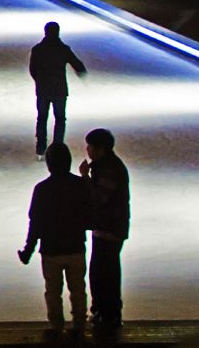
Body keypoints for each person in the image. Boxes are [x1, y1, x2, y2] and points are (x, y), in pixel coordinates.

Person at [21, 142, 90, 336]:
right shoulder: (79, 186)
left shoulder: (42, 189)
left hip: (51, 249)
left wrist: (28, 250)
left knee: (53, 290)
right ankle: (79, 324)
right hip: (76, 246)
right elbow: (90, 213)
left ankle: (56, 325)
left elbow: (35, 224)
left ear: (49, 164)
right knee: (78, 288)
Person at [83, 128, 130, 336]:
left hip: (109, 229)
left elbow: (98, 198)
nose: (87, 150)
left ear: (100, 149)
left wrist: (85, 178)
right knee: (103, 272)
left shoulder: (108, 169)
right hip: (108, 228)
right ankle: (105, 312)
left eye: (90, 146)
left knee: (105, 272)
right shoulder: (106, 166)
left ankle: (108, 314)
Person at [30, 21, 89, 156]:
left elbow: (32, 69)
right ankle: (57, 148)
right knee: (60, 119)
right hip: (59, 90)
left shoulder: (38, 49)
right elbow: (77, 63)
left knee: (42, 118)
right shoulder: (63, 49)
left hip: (43, 90)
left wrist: (39, 81)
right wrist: (83, 74)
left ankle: (40, 149)